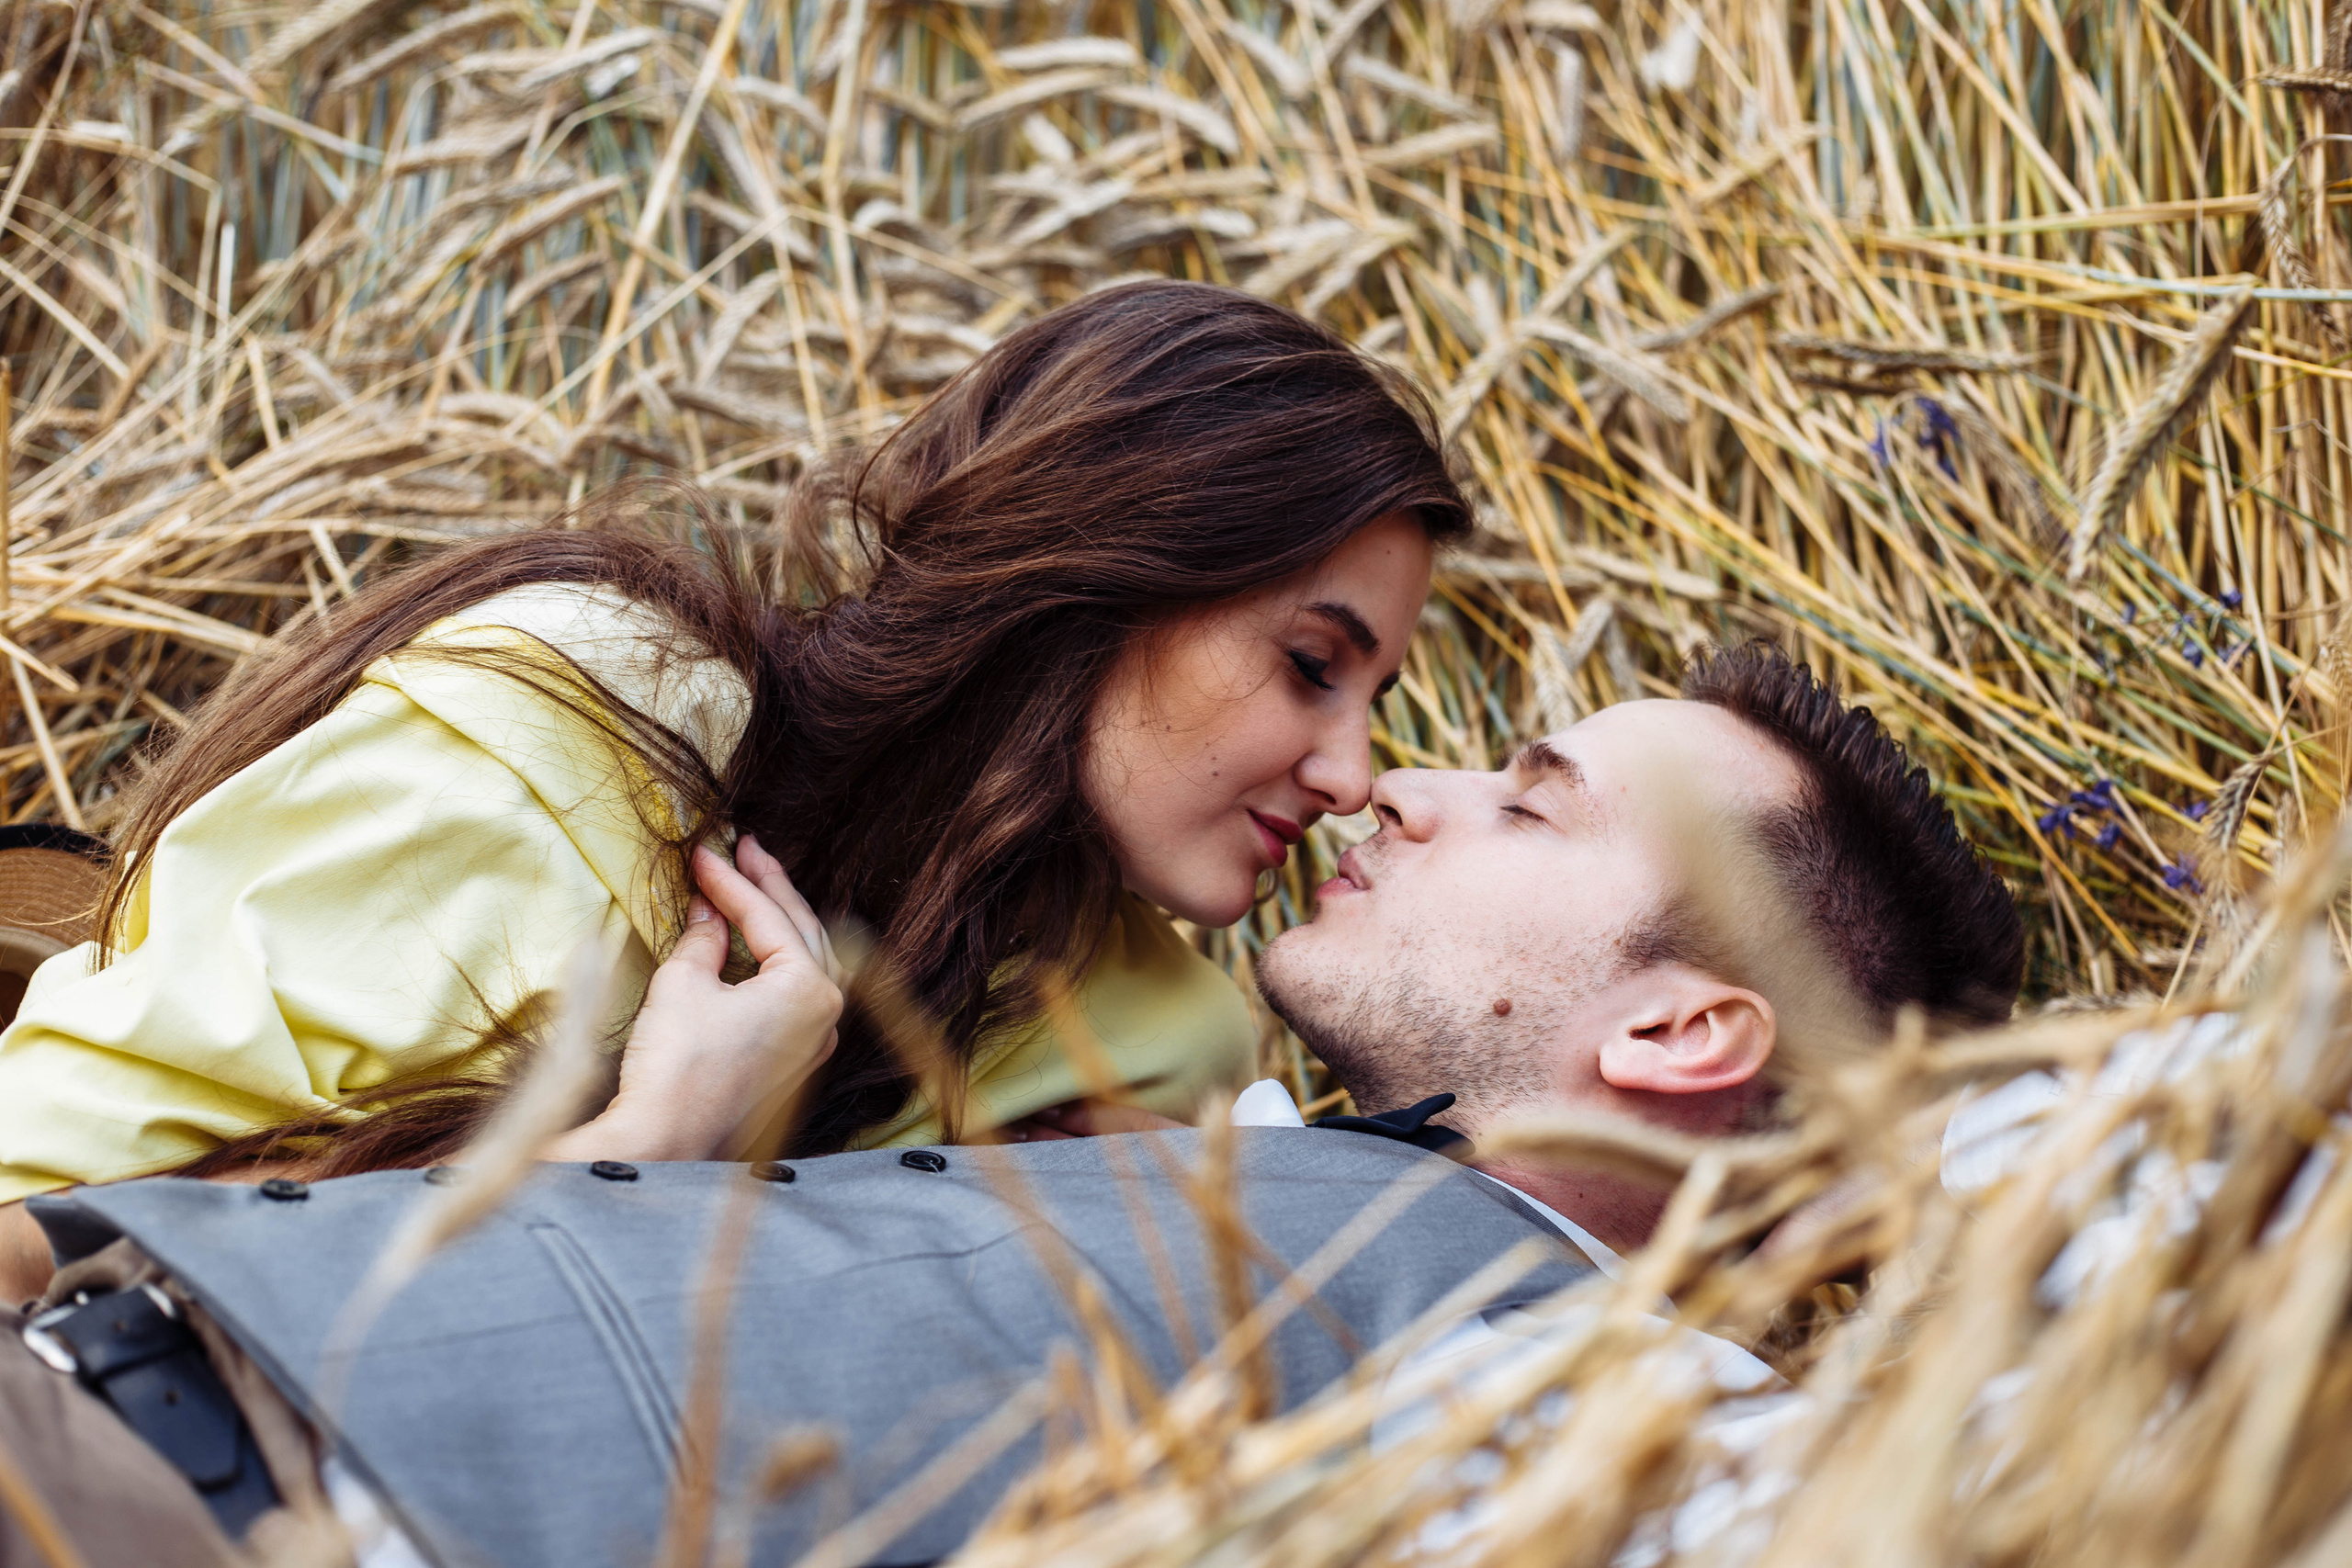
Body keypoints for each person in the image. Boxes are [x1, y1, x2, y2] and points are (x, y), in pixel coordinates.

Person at [0, 645, 2024, 1567]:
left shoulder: (1624, 1422)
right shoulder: (1220, 1158)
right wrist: (647, 1158)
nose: (1397, 781)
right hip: (106, 1357)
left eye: (1527, 799)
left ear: (1683, 1034)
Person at [0, 281, 1471, 1289]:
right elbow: (32, 1229)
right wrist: (646, 1152)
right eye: (1307, 665)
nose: (1351, 774)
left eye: (1373, 701)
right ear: (1108, 571)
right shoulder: (579, 734)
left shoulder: (1159, 1042)